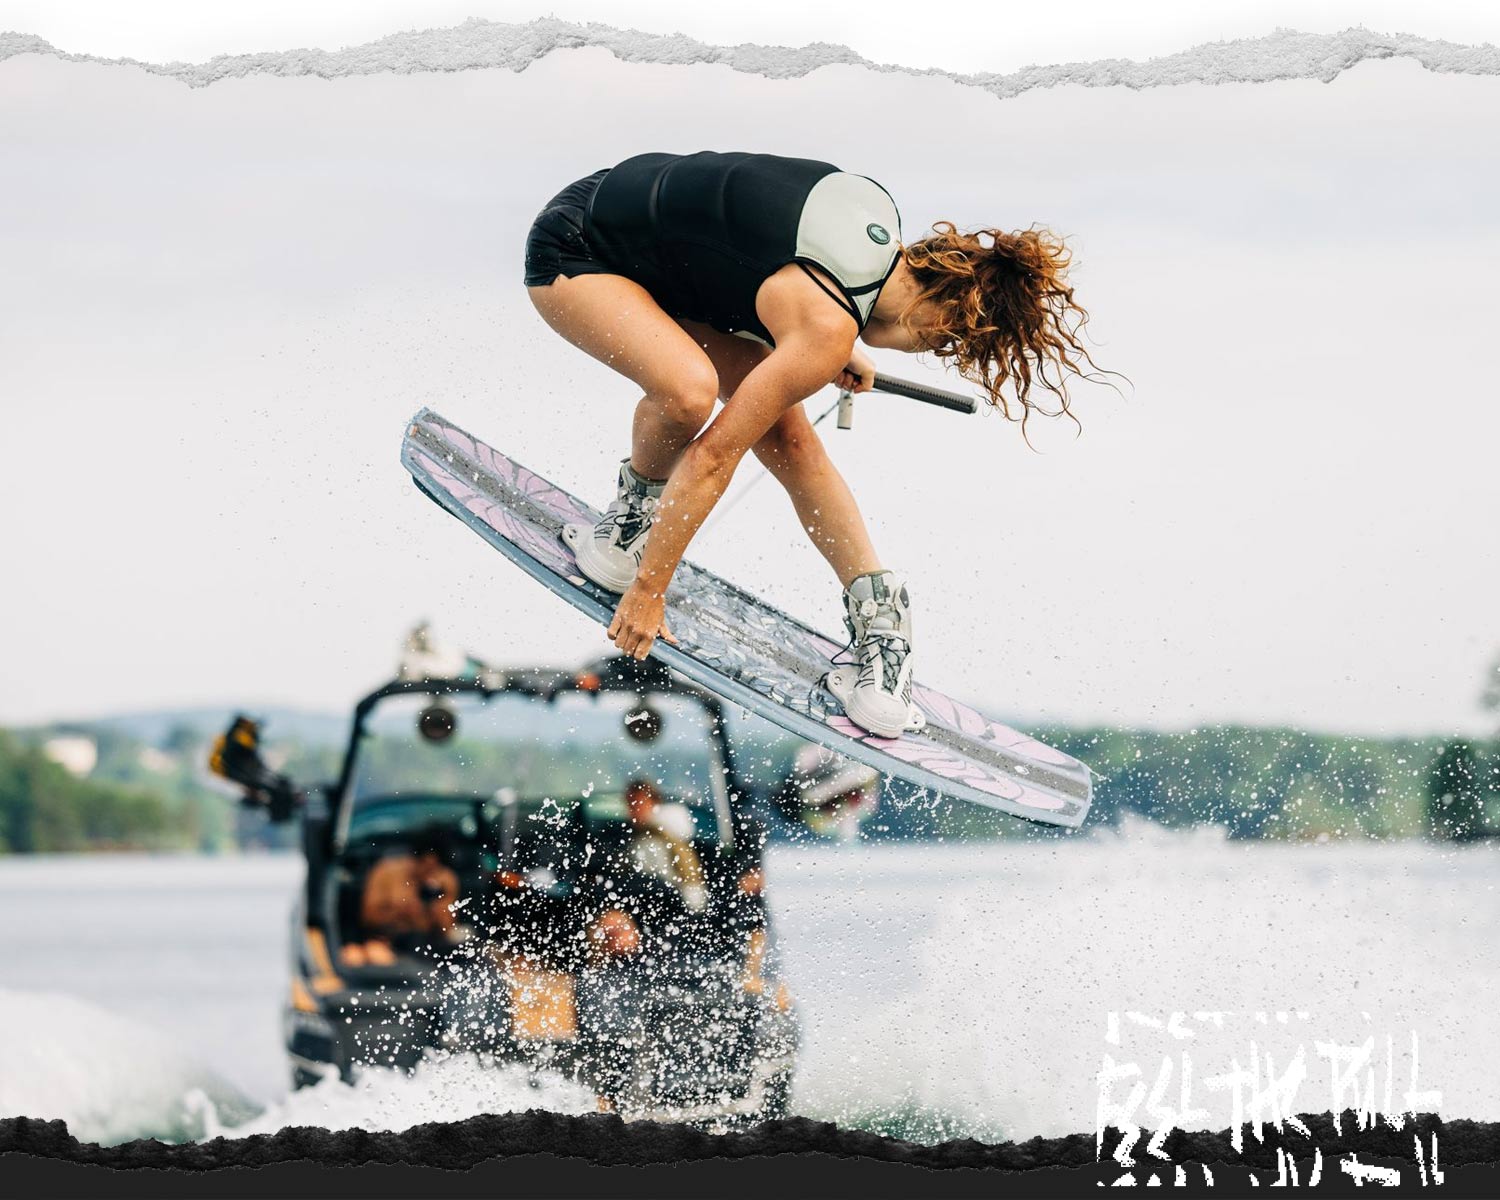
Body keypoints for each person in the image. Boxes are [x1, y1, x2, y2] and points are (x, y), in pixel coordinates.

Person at [525, 151, 1103, 737]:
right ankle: (629, 528)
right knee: (688, 394)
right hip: (580, 248)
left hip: (662, 256)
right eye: (947, 342)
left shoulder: (874, 223)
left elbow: (758, 255)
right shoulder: (827, 323)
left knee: (793, 440)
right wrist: (650, 590)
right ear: (946, 309)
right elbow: (711, 457)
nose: (934, 352)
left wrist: (825, 341)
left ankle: (882, 625)